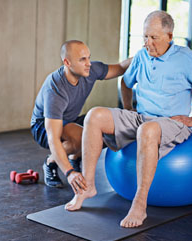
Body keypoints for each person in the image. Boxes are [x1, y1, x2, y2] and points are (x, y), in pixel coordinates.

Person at [64, 11, 192, 228]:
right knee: (94, 115)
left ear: (170, 36)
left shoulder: (185, 58)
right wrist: (129, 108)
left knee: (147, 130)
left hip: (171, 122)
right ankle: (88, 187)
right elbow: (126, 82)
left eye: (154, 38)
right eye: (145, 37)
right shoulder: (142, 56)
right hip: (142, 118)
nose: (148, 43)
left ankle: (139, 204)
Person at [31, 40, 131, 190]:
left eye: (89, 57)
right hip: (42, 127)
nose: (88, 63)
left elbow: (121, 67)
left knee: (104, 129)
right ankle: (51, 162)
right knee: (81, 138)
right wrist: (70, 173)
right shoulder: (55, 88)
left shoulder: (90, 70)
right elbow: (53, 138)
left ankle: (74, 156)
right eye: (82, 59)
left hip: (70, 120)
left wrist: (143, 55)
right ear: (67, 62)